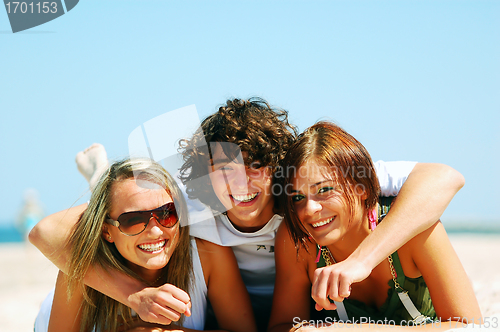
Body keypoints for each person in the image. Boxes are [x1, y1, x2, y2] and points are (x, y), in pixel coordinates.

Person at [30, 98, 465, 332]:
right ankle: (100, 182)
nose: (241, 185)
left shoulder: (306, 191)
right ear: (204, 176)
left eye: (255, 165)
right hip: (233, 318)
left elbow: (444, 177)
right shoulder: (191, 199)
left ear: (279, 166)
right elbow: (47, 231)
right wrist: (130, 295)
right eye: (223, 170)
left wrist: (363, 258)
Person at [268, 122, 481, 331]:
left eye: (324, 190)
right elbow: (282, 326)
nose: (309, 208)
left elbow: (470, 326)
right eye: (297, 197)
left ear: (363, 188)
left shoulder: (415, 230)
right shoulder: (298, 240)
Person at [34, 158, 256, 332]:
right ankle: (100, 180)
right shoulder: (82, 266)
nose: (156, 231)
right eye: (133, 220)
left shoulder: (206, 253)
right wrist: (137, 296)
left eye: (167, 213)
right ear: (106, 231)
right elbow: (42, 231)